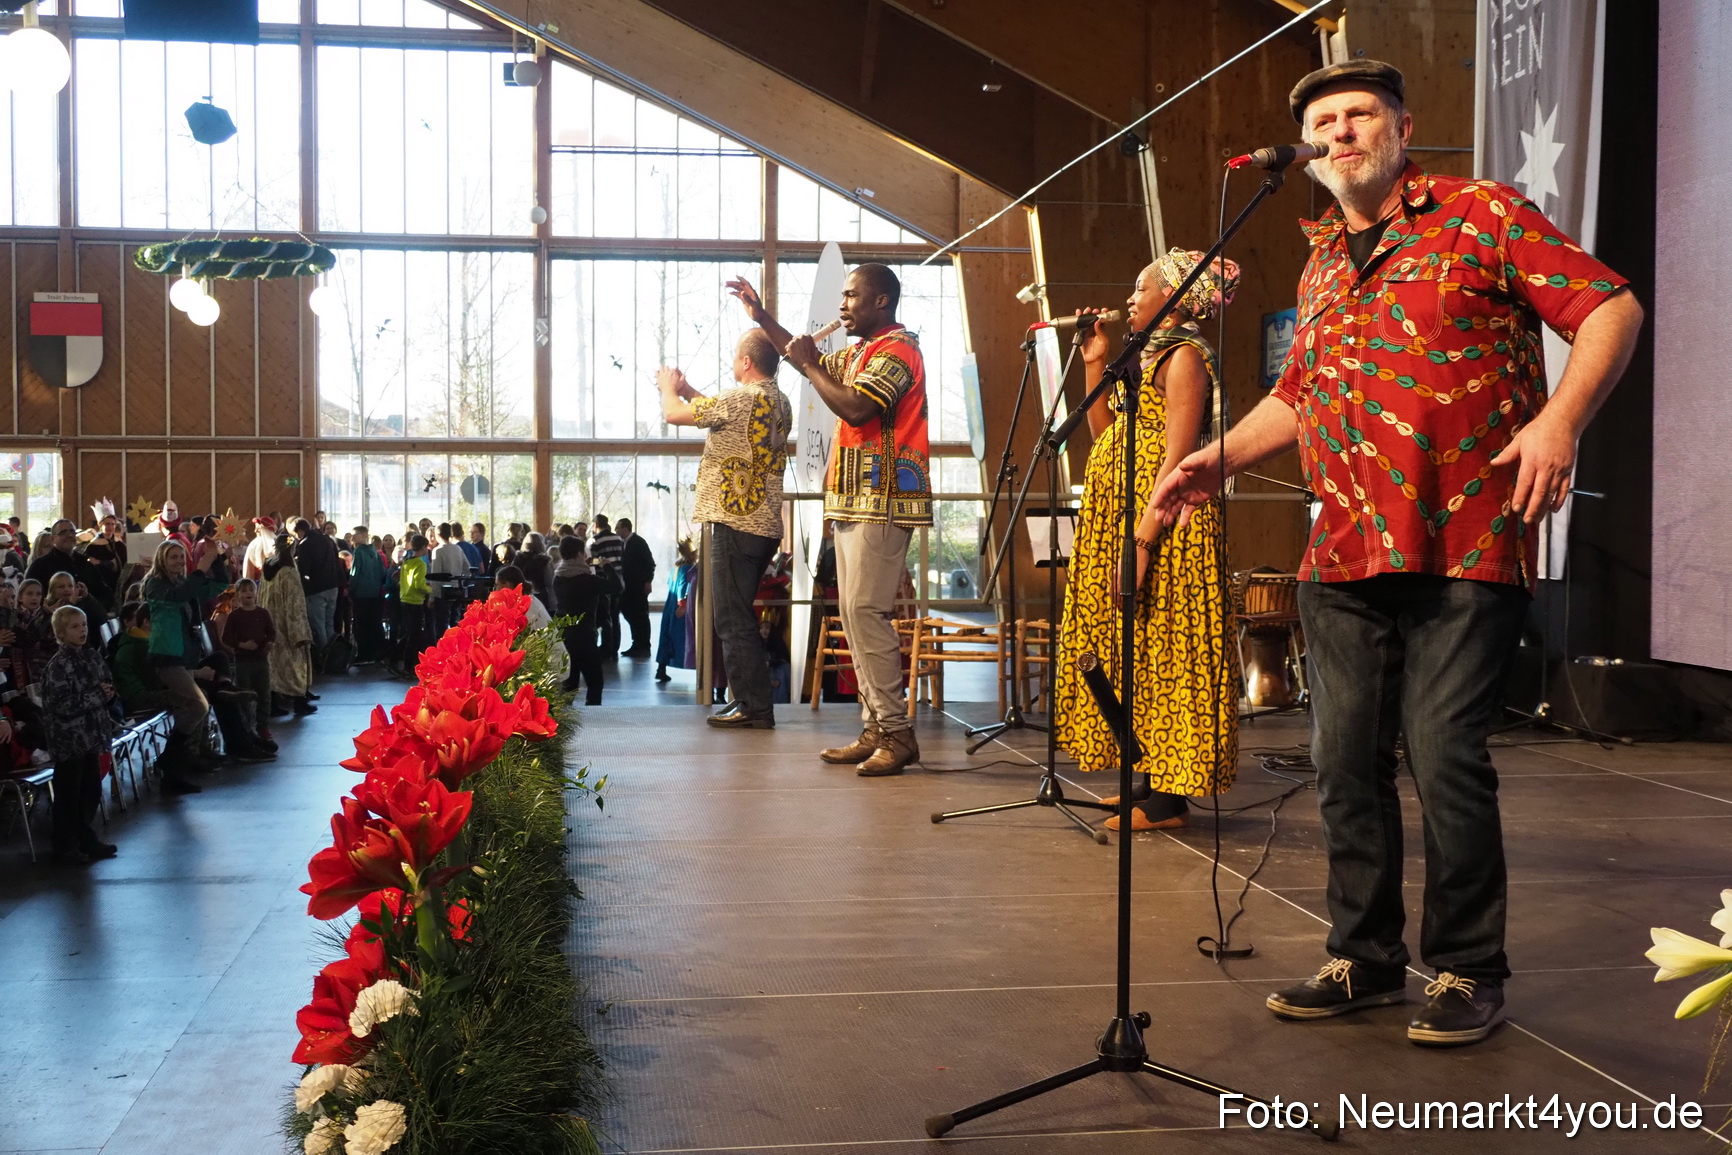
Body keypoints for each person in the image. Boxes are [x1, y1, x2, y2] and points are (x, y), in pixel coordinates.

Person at [1149, 60, 1645, 1047]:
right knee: (1341, 761)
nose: (1338, 133)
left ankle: (1466, 968)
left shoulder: (1479, 214)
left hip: (1462, 534)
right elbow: (1297, 395)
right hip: (1339, 546)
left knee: (1444, 752)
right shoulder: (1323, 262)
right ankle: (1364, 956)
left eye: (1357, 115)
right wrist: (1213, 456)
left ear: (1402, 127)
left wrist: (1557, 424)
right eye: (1322, 122)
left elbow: (1608, 308)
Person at [1051, 253, 1241, 832]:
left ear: (1179, 297)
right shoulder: (1145, 355)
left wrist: (1141, 541)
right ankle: (1148, 776)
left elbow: (1178, 458)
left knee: (1167, 646)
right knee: (1136, 649)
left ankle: (1167, 800)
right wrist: (1094, 363)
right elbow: (1109, 434)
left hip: (1164, 529)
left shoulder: (1184, 357)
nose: (1131, 296)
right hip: (1126, 519)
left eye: (1142, 287)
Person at [729, 264, 930, 774]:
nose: (842, 305)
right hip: (852, 499)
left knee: (866, 614)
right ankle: (875, 726)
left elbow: (857, 408)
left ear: (881, 301)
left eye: (851, 296)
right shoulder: (862, 351)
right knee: (856, 615)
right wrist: (763, 316)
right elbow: (806, 362)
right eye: (841, 296)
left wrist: (813, 364)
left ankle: (898, 732)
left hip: (883, 499)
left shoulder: (898, 350)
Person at [656, 329, 792, 728]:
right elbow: (717, 411)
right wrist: (689, 388)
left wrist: (668, 388)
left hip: (736, 521)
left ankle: (753, 707)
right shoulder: (777, 400)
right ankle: (749, 702)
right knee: (737, 615)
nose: (733, 362)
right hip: (763, 523)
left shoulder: (740, 398)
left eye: (735, 357)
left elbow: (673, 414)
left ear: (746, 362)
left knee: (732, 619)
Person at [141, 539, 229, 788]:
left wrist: (218, 558)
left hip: (185, 655)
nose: (179, 561)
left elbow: (219, 585)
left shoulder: (185, 582)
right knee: (199, 705)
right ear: (162, 560)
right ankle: (169, 760)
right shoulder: (155, 585)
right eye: (173, 557)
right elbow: (179, 597)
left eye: (182, 557)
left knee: (184, 710)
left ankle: (173, 776)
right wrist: (201, 568)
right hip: (166, 655)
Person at [39, 605, 119, 863]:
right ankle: (64, 845)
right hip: (70, 739)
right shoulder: (58, 666)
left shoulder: (92, 656)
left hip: (92, 735)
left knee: (91, 790)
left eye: (83, 624)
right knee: (69, 795)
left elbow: (107, 681)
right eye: (74, 626)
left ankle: (85, 838)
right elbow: (61, 705)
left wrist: (109, 694)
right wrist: (98, 696)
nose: (82, 630)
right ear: (61, 633)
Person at [260, 534, 315, 716]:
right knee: (294, 663)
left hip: (270, 621)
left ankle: (274, 703)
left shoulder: (268, 566)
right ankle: (299, 701)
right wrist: (300, 632)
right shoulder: (289, 570)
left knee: (274, 665)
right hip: (287, 625)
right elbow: (295, 603)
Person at [221, 578, 277, 745]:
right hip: (243, 661)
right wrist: (241, 645)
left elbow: (271, 632)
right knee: (245, 694)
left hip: (261, 660)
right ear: (238, 595)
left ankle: (263, 726)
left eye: (251, 590)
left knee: (264, 693)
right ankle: (247, 726)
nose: (248, 594)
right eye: (244, 591)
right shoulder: (234, 616)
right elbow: (226, 638)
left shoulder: (263, 613)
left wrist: (269, 643)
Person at [25, 519, 111, 614]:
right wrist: (47, 610)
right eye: (63, 532)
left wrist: (91, 601)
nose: (69, 535)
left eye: (72, 532)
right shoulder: (40, 566)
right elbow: (29, 596)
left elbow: (104, 593)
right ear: (53, 539)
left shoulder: (85, 563)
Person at [292, 517, 342, 653]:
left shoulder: (305, 544)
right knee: (329, 623)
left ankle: (323, 657)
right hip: (333, 587)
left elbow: (303, 570)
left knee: (318, 625)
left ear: (300, 532)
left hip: (316, 589)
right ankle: (333, 656)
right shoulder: (328, 539)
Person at [656, 536, 698, 683]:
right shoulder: (687, 569)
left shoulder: (675, 568)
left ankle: (661, 668)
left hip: (670, 606)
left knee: (667, 637)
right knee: (680, 639)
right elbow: (683, 586)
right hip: (679, 607)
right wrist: (683, 605)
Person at [616, 517, 657, 658]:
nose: (616, 531)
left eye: (618, 528)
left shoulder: (638, 542)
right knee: (631, 612)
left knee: (640, 614)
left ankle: (643, 644)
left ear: (625, 528)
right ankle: (637, 643)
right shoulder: (624, 544)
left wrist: (647, 581)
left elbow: (650, 563)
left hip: (638, 585)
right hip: (629, 585)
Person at [393, 533, 432, 676]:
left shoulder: (407, 562)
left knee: (410, 632)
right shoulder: (421, 563)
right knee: (414, 634)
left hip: (404, 599)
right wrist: (430, 589)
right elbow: (419, 585)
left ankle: (394, 657)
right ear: (423, 547)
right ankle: (407, 664)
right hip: (415, 601)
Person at [347, 527, 387, 663]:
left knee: (361, 626)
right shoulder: (375, 552)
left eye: (355, 535)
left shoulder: (358, 552)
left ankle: (364, 654)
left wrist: (350, 589)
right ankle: (379, 652)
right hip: (375, 594)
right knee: (375, 624)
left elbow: (355, 573)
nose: (352, 538)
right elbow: (382, 573)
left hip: (361, 594)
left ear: (364, 535)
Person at [587, 517, 624, 658]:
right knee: (615, 616)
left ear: (595, 525)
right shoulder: (618, 539)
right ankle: (615, 648)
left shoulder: (595, 540)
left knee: (604, 617)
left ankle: (605, 648)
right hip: (619, 579)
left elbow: (592, 561)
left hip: (604, 581)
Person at [429, 523, 472, 629]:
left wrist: (432, 597)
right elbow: (468, 569)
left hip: (443, 593)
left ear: (438, 534)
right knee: (455, 622)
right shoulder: (457, 549)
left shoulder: (438, 551)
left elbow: (436, 576)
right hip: (457, 591)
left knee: (442, 625)